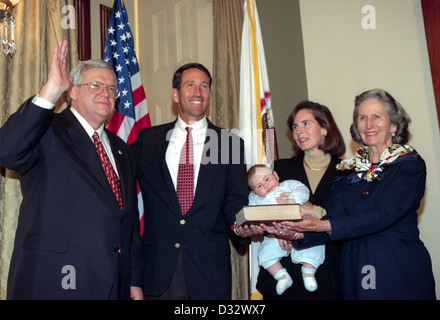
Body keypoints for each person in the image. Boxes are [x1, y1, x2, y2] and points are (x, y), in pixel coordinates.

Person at [0, 40, 143, 300]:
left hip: (114, 282)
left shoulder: (123, 149)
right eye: (95, 86)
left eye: (112, 89)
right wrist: (51, 91)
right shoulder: (47, 129)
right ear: (73, 92)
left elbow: (128, 219)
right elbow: (8, 152)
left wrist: (132, 278)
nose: (106, 93)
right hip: (53, 279)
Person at [271, 89, 436, 299]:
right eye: (362, 118)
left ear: (394, 124)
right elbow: (335, 217)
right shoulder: (347, 170)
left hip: (395, 265)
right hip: (353, 267)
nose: (368, 124)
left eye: (376, 116)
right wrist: (297, 233)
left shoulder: (408, 166)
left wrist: (324, 225)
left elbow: (385, 213)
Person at [132, 63, 258, 300]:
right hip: (158, 271)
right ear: (175, 94)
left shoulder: (229, 144)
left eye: (204, 86)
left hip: (209, 273)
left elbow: (235, 199)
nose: (198, 92)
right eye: (190, 85)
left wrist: (241, 225)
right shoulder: (148, 141)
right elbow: (124, 193)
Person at [256, 100, 346, 300]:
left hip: (327, 275)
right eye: (295, 127)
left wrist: (312, 209)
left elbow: (348, 221)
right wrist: (279, 232)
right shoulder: (278, 170)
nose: (298, 131)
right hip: (283, 276)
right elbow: (260, 207)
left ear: (325, 128)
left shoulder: (348, 172)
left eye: (306, 124)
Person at [248, 164, 326, 294]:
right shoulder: (256, 199)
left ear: (276, 175)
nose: (266, 186)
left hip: (301, 228)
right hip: (275, 234)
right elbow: (250, 212)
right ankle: (282, 276)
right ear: (254, 191)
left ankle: (308, 273)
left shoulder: (288, 185)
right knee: (265, 254)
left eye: (267, 179)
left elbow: (302, 190)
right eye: (259, 186)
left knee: (312, 247)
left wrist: (293, 199)